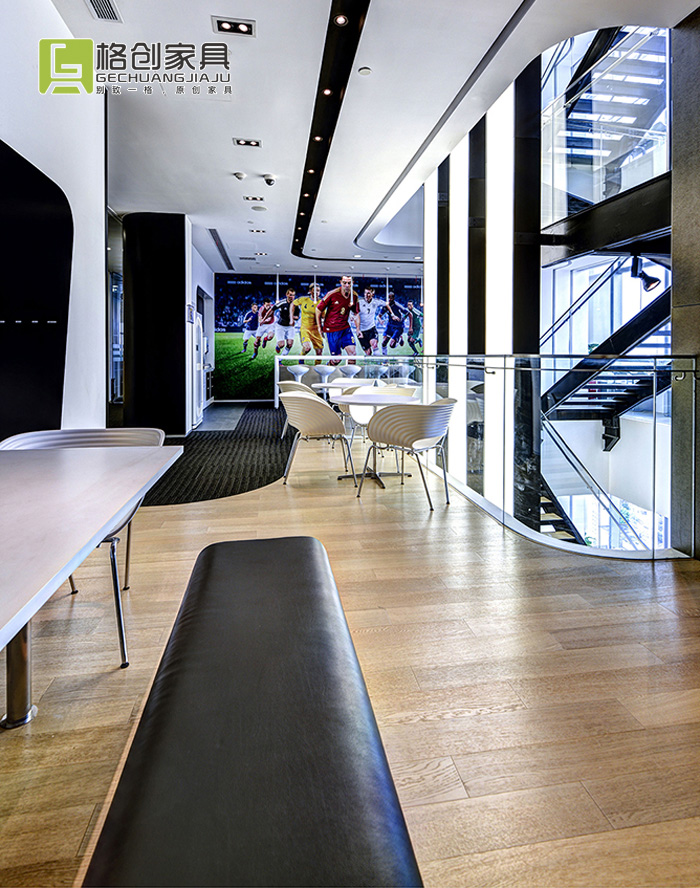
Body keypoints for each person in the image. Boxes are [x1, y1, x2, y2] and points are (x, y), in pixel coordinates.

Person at [315, 274, 359, 361]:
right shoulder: (332, 294)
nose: (347, 285)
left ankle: (349, 370)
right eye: (344, 283)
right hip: (332, 329)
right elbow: (318, 309)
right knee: (336, 360)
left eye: (349, 283)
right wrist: (319, 327)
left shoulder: (354, 296)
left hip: (345, 328)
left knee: (353, 355)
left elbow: (356, 313)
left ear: (352, 283)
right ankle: (328, 368)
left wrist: (358, 329)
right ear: (341, 282)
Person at [293, 283, 324, 358]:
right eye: (315, 290)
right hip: (305, 328)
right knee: (307, 348)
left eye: (318, 291)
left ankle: (318, 365)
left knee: (319, 352)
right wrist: (292, 316)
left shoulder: (322, 302)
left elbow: (323, 317)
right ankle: (301, 357)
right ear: (310, 291)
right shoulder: (303, 300)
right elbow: (292, 304)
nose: (317, 292)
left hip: (316, 330)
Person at [356, 287, 380, 356]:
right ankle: (369, 361)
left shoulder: (376, 302)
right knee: (368, 353)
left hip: (371, 329)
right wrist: (352, 316)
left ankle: (380, 361)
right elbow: (353, 313)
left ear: (372, 294)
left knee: (374, 345)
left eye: (368, 293)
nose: (366, 295)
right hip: (361, 331)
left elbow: (386, 304)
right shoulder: (359, 302)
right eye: (365, 293)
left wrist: (392, 314)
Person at [274, 288, 296, 355]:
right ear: (287, 294)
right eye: (290, 295)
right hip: (281, 326)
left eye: (293, 295)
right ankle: (278, 346)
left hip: (290, 327)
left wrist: (293, 317)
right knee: (281, 345)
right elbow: (272, 309)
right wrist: (264, 319)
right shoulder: (282, 303)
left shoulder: (296, 304)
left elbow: (297, 316)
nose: (292, 297)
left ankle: (281, 358)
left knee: (290, 344)